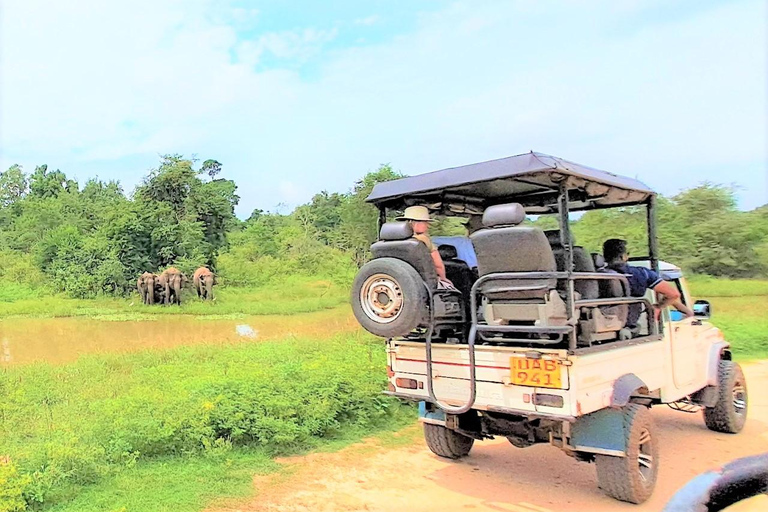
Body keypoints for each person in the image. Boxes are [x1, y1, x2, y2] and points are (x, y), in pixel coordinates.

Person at [603, 239, 694, 330]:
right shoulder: (643, 274)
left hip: (602, 324)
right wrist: (658, 307)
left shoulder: (597, 275)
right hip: (628, 325)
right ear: (623, 256)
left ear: (605, 257)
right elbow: (673, 294)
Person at [397, 206, 453, 286]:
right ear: (417, 223)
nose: (427, 225)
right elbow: (438, 265)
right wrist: (443, 279)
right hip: (424, 284)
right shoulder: (424, 240)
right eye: (425, 222)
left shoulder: (393, 241)